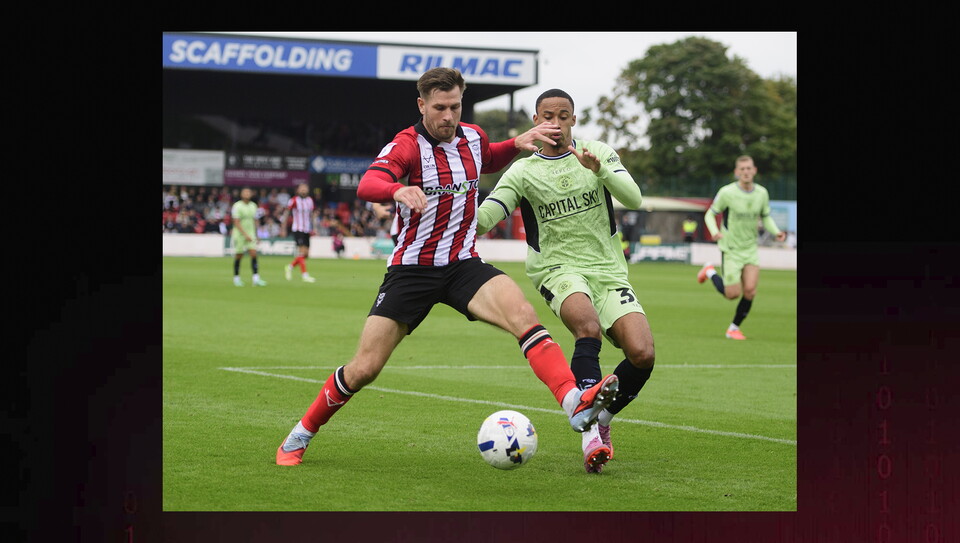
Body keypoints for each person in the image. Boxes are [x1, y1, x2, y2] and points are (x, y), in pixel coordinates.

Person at [276, 68, 619, 468]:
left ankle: (574, 402)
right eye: (439, 108)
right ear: (422, 105)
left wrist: (517, 143)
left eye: (455, 106)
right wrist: (396, 188)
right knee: (364, 368)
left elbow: (489, 157)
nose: (448, 116)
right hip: (412, 270)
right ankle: (300, 434)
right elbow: (369, 182)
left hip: (463, 264)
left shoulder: (473, 136)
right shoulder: (408, 145)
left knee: (524, 315)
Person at [476, 89, 654, 473]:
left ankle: (602, 419)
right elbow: (486, 218)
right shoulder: (523, 171)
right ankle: (588, 433)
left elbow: (634, 198)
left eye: (562, 116)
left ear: (573, 118)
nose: (554, 124)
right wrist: (451, 208)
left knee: (642, 354)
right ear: (536, 121)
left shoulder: (598, 153)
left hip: (608, 270)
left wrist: (599, 170)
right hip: (557, 269)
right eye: (547, 116)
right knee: (586, 326)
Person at [697, 155, 786, 340]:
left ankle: (733, 328)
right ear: (737, 172)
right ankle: (710, 271)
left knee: (751, 290)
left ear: (754, 171)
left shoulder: (762, 193)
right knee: (732, 294)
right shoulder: (727, 192)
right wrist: (714, 231)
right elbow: (710, 214)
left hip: (750, 248)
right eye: (742, 169)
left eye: (749, 168)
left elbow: (766, 216)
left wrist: (776, 232)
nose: (746, 172)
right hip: (730, 248)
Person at [230, 187, 267, 287]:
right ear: (241, 194)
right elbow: (236, 222)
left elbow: (255, 221)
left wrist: (257, 235)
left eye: (248, 192)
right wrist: (245, 235)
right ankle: (236, 278)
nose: (247, 194)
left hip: (250, 234)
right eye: (245, 192)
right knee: (239, 256)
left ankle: (256, 279)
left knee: (254, 254)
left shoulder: (253, 206)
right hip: (239, 234)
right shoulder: (237, 206)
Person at [283, 183, 317, 283]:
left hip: (307, 229)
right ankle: (305, 275)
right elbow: (287, 213)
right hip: (298, 229)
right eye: (301, 189)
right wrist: (283, 228)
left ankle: (289, 267)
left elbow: (312, 215)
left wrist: (314, 228)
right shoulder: (294, 200)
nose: (303, 190)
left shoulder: (310, 200)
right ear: (298, 190)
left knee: (306, 254)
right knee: (301, 252)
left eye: (305, 188)